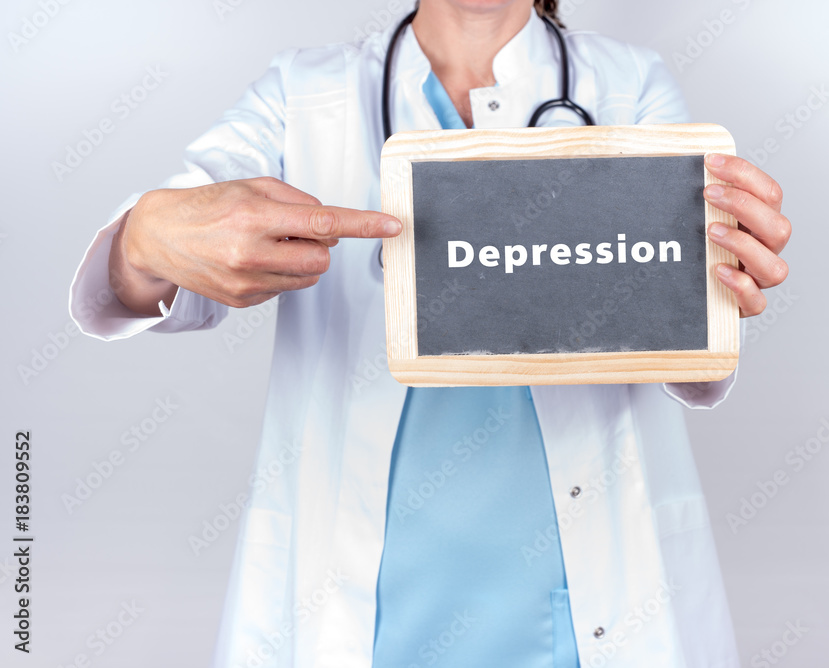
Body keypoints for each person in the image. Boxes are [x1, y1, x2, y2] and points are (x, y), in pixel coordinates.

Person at [69, 0, 791, 666]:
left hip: (578, 612)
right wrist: (144, 242)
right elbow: (158, 270)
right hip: (367, 616)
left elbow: (688, 357)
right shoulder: (303, 94)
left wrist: (719, 294)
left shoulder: (629, 85)